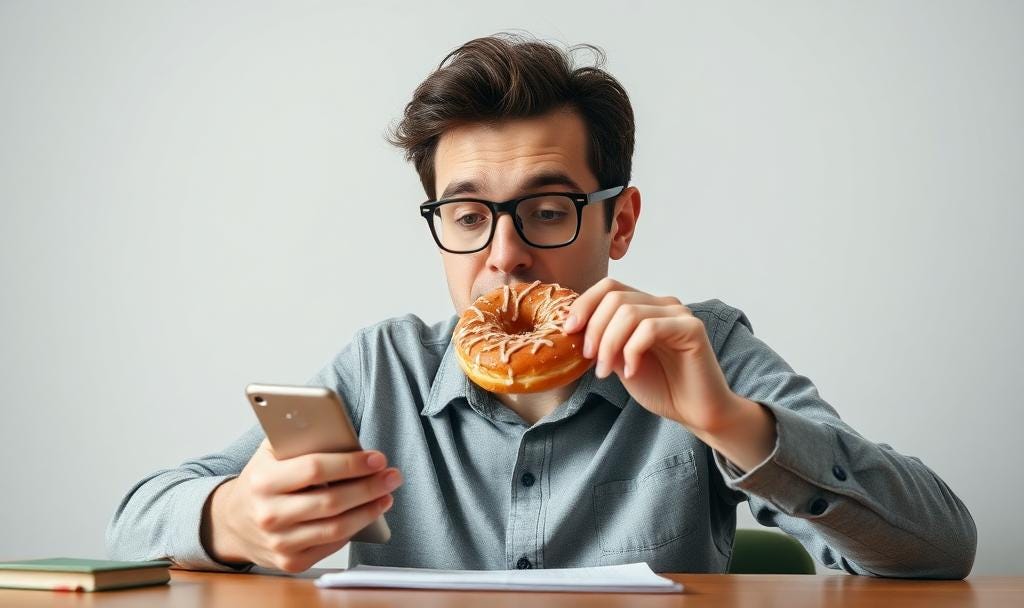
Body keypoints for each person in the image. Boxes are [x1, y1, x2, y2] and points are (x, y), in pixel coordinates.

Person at [106, 33, 976, 578]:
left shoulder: (698, 348)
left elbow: (942, 550)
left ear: (619, 220)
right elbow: (137, 516)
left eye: (548, 209)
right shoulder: (382, 370)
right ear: (439, 224)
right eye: (467, 213)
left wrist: (734, 424)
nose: (505, 251)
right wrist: (233, 520)